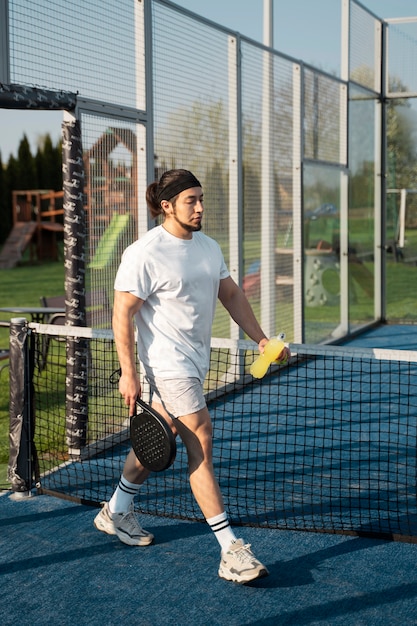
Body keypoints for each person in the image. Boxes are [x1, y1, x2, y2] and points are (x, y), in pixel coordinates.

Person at [94, 168, 290, 584]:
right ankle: (230, 549)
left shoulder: (207, 247)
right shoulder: (144, 252)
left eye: (201, 199)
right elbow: (122, 314)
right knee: (199, 438)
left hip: (194, 362)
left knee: (157, 439)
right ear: (166, 206)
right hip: (165, 365)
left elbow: (232, 294)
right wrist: (128, 374)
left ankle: (116, 510)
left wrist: (261, 340)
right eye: (191, 201)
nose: (200, 208)